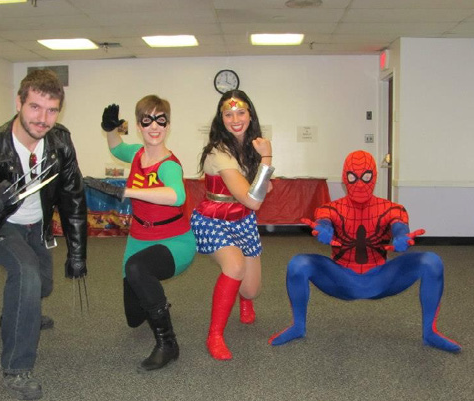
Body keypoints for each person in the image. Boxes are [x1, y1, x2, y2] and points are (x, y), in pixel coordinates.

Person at [0, 69, 88, 400]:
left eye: (52, 110)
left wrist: (77, 252)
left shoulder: (60, 142)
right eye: (35, 107)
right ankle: (16, 368)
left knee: (42, 283)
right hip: (0, 227)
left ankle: (17, 313)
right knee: (26, 275)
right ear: (19, 103)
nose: (43, 119)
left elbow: (72, 197)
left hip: (37, 225)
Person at [269, 150, 461, 353]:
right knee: (298, 263)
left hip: (381, 278)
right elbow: (325, 221)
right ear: (345, 178)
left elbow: (398, 225)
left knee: (431, 261)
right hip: (342, 278)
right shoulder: (330, 209)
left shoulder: (391, 208)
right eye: (353, 177)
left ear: (374, 177)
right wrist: (322, 230)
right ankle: (298, 326)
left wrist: (401, 237)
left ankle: (430, 332)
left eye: (366, 177)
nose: (360, 184)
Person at [84, 96, 196, 371]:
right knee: (134, 317)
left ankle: (168, 344)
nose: (154, 126)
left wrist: (126, 190)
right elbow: (117, 147)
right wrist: (110, 128)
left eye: (161, 120)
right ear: (138, 125)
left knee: (137, 269)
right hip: (139, 238)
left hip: (175, 241)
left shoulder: (169, 165)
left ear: (168, 125)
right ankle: (157, 300)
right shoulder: (136, 154)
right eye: (147, 120)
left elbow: (176, 195)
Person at [190, 90, 274, 361]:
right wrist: (268, 158)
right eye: (228, 114)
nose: (235, 119)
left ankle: (244, 300)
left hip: (242, 221)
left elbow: (260, 190)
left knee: (251, 290)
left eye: (241, 112)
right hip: (212, 219)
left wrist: (261, 166)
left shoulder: (251, 146)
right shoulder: (219, 152)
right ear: (221, 118)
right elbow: (254, 199)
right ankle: (215, 335)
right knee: (234, 265)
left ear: (250, 115)